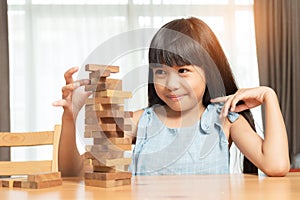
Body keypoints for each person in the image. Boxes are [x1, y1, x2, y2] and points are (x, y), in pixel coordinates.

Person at [53, 17, 290, 177]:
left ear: (210, 71)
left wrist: (269, 96)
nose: (170, 84)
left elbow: (277, 166)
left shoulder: (223, 119)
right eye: (160, 72)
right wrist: (70, 118)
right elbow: (73, 173)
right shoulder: (139, 121)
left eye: (183, 71)